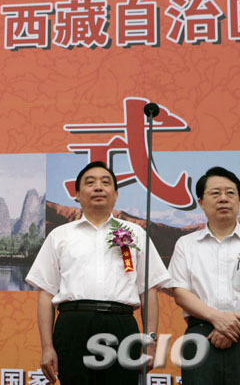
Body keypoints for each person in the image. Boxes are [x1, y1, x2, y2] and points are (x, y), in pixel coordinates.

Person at [26, 161, 170, 385]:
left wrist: (150, 340)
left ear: (116, 194)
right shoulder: (60, 235)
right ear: (77, 194)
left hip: (121, 325)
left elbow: (148, 291)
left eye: (105, 182)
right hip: (73, 326)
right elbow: (46, 294)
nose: (98, 187)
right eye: (90, 182)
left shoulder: (135, 234)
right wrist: (47, 347)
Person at [168, 166, 240, 385]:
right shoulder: (186, 244)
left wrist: (232, 324)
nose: (223, 199)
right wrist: (218, 319)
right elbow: (180, 292)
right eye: (215, 193)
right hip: (201, 335)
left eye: (230, 193)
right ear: (201, 202)